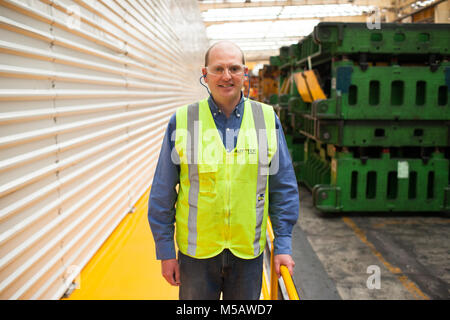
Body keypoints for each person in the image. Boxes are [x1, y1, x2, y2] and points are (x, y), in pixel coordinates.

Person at [148, 41, 299, 300]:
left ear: (245, 73)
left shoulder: (266, 119)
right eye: (218, 69)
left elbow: (283, 186)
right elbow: (163, 190)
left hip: (247, 256)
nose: (226, 76)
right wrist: (165, 251)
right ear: (205, 75)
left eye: (234, 68)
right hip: (196, 256)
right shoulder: (183, 120)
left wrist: (282, 244)